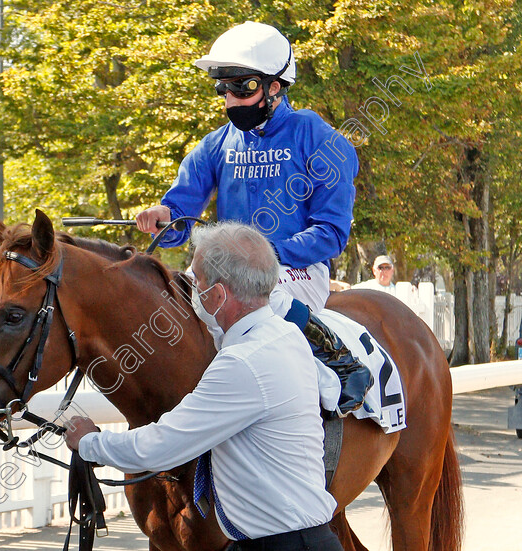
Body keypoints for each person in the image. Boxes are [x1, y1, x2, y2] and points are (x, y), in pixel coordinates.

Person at [134, 21, 370, 416]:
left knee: (262, 299)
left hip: (294, 271)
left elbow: (331, 232)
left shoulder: (319, 138)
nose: (229, 99)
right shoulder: (216, 144)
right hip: (222, 272)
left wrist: (266, 254)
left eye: (241, 86)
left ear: (275, 86)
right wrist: (165, 216)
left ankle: (340, 362)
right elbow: (180, 215)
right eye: (222, 87)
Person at [66, 222, 343, 551]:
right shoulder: (285, 336)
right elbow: (330, 386)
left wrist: (89, 443)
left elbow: (161, 446)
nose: (192, 291)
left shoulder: (241, 363)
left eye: (196, 281)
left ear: (219, 294)